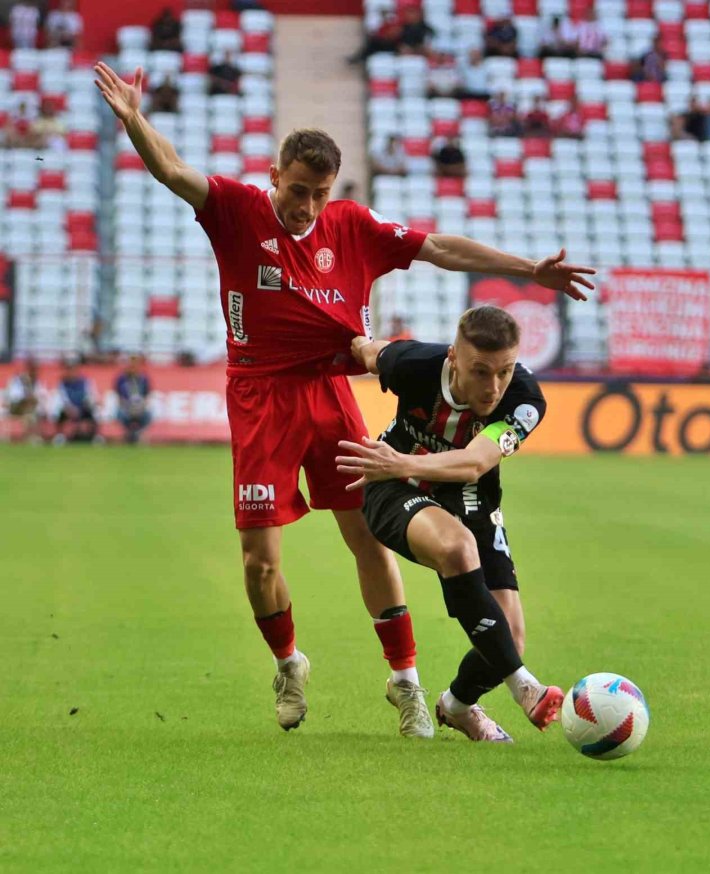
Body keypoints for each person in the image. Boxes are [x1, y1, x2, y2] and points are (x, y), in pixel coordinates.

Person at [93, 61, 594, 737]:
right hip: (260, 398)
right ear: (274, 177)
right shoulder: (239, 213)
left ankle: (407, 682)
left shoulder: (351, 226)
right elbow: (176, 172)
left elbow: (438, 247)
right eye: (296, 190)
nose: (305, 206)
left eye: (318, 194)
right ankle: (288, 661)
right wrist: (134, 121)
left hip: (331, 395)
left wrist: (526, 269)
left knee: (367, 535)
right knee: (258, 559)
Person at [337, 307, 565, 742]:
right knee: (457, 548)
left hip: (467, 492)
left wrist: (397, 459)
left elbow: (477, 461)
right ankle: (526, 688)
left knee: (510, 638)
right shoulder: (414, 365)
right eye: (481, 371)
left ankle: (457, 706)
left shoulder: (525, 399)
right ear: (454, 358)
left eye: (505, 371)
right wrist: (352, 341)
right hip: (394, 485)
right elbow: (367, 351)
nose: (494, 387)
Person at [54, 358, 98, 444]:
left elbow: (89, 395)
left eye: (73, 369)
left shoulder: (85, 382)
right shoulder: (63, 383)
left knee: (93, 412)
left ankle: (94, 436)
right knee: (59, 412)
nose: (71, 372)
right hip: (68, 409)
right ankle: (60, 435)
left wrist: (82, 406)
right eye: (69, 369)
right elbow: (62, 397)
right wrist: (70, 408)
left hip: (82, 407)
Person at [5, 358, 46, 443]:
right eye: (32, 369)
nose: (34, 371)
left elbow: (41, 396)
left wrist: (33, 399)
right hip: (15, 408)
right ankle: (30, 436)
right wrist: (27, 398)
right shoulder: (18, 380)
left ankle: (33, 436)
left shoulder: (37, 382)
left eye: (35, 369)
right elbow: (13, 397)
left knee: (35, 413)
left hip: (30, 409)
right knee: (29, 413)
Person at [115, 355, 152, 444]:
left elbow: (147, 396)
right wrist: (126, 406)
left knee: (149, 414)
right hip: (126, 407)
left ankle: (139, 434)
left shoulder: (143, 379)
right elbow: (119, 397)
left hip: (140, 407)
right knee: (119, 413)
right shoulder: (121, 379)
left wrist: (141, 406)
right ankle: (128, 433)